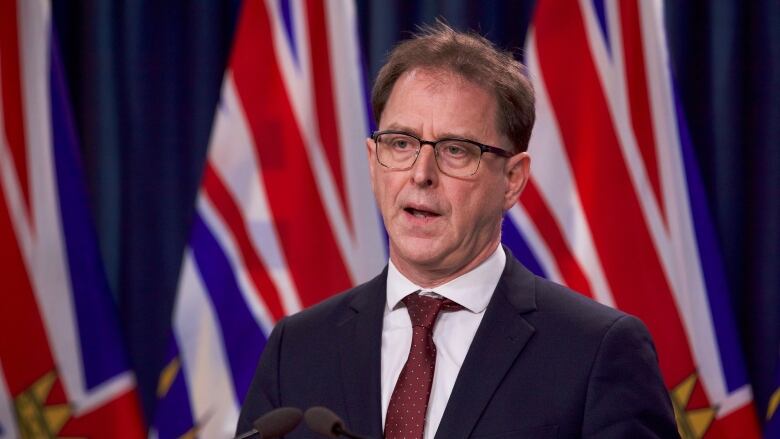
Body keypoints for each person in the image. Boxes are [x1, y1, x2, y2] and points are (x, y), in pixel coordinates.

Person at [237, 23, 678, 439]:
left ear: (513, 180)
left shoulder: (596, 351)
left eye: (455, 150)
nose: (421, 173)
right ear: (373, 162)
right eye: (402, 143)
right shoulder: (296, 349)